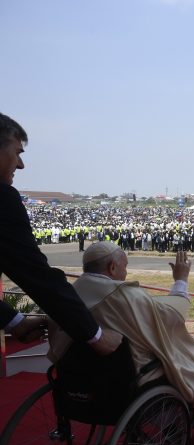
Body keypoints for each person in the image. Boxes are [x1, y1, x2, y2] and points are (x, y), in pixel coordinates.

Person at [50, 243, 194, 442]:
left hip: (77, 377)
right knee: (192, 357)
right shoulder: (127, 296)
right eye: (125, 267)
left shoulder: (69, 295)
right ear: (112, 267)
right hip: (127, 377)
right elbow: (172, 316)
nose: (126, 273)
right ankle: (173, 420)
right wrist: (180, 281)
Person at [0, 112, 120, 355]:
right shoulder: (3, 199)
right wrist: (96, 336)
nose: (21, 164)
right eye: (17, 153)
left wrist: (15, 321)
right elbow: (38, 276)